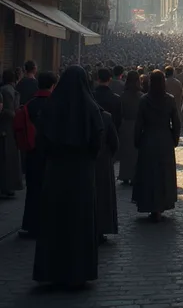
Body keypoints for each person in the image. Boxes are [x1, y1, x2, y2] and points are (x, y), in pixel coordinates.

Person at [33, 66, 104, 287]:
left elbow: (41, 141)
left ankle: (53, 270)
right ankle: (79, 271)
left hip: (56, 172)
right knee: (79, 221)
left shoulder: (51, 107)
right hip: (82, 173)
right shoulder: (91, 108)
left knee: (55, 220)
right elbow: (96, 142)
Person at [132, 70, 180, 222]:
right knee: (163, 174)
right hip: (165, 139)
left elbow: (138, 123)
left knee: (149, 174)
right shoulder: (170, 100)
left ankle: (151, 204)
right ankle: (162, 203)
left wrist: (137, 140)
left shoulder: (144, 100)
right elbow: (176, 123)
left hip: (148, 138)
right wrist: (174, 139)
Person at [20, 72, 56, 239]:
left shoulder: (29, 104)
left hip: (32, 153)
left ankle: (30, 224)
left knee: (32, 190)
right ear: (53, 85)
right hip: (51, 155)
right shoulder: (56, 104)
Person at [95, 107, 119, 244]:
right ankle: (101, 229)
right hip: (103, 162)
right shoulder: (105, 117)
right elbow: (114, 143)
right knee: (102, 196)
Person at [0, 69, 22, 198]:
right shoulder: (9, 91)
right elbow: (9, 111)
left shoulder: (6, 90)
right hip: (7, 129)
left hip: (7, 129)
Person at [118, 70, 143, 185]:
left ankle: (124, 175)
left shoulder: (123, 95)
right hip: (137, 125)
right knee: (136, 153)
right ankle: (135, 175)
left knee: (126, 152)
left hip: (125, 124)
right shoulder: (141, 96)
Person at [94, 67, 122, 131]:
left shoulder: (91, 97)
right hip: (111, 131)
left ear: (98, 79)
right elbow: (118, 120)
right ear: (109, 79)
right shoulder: (116, 98)